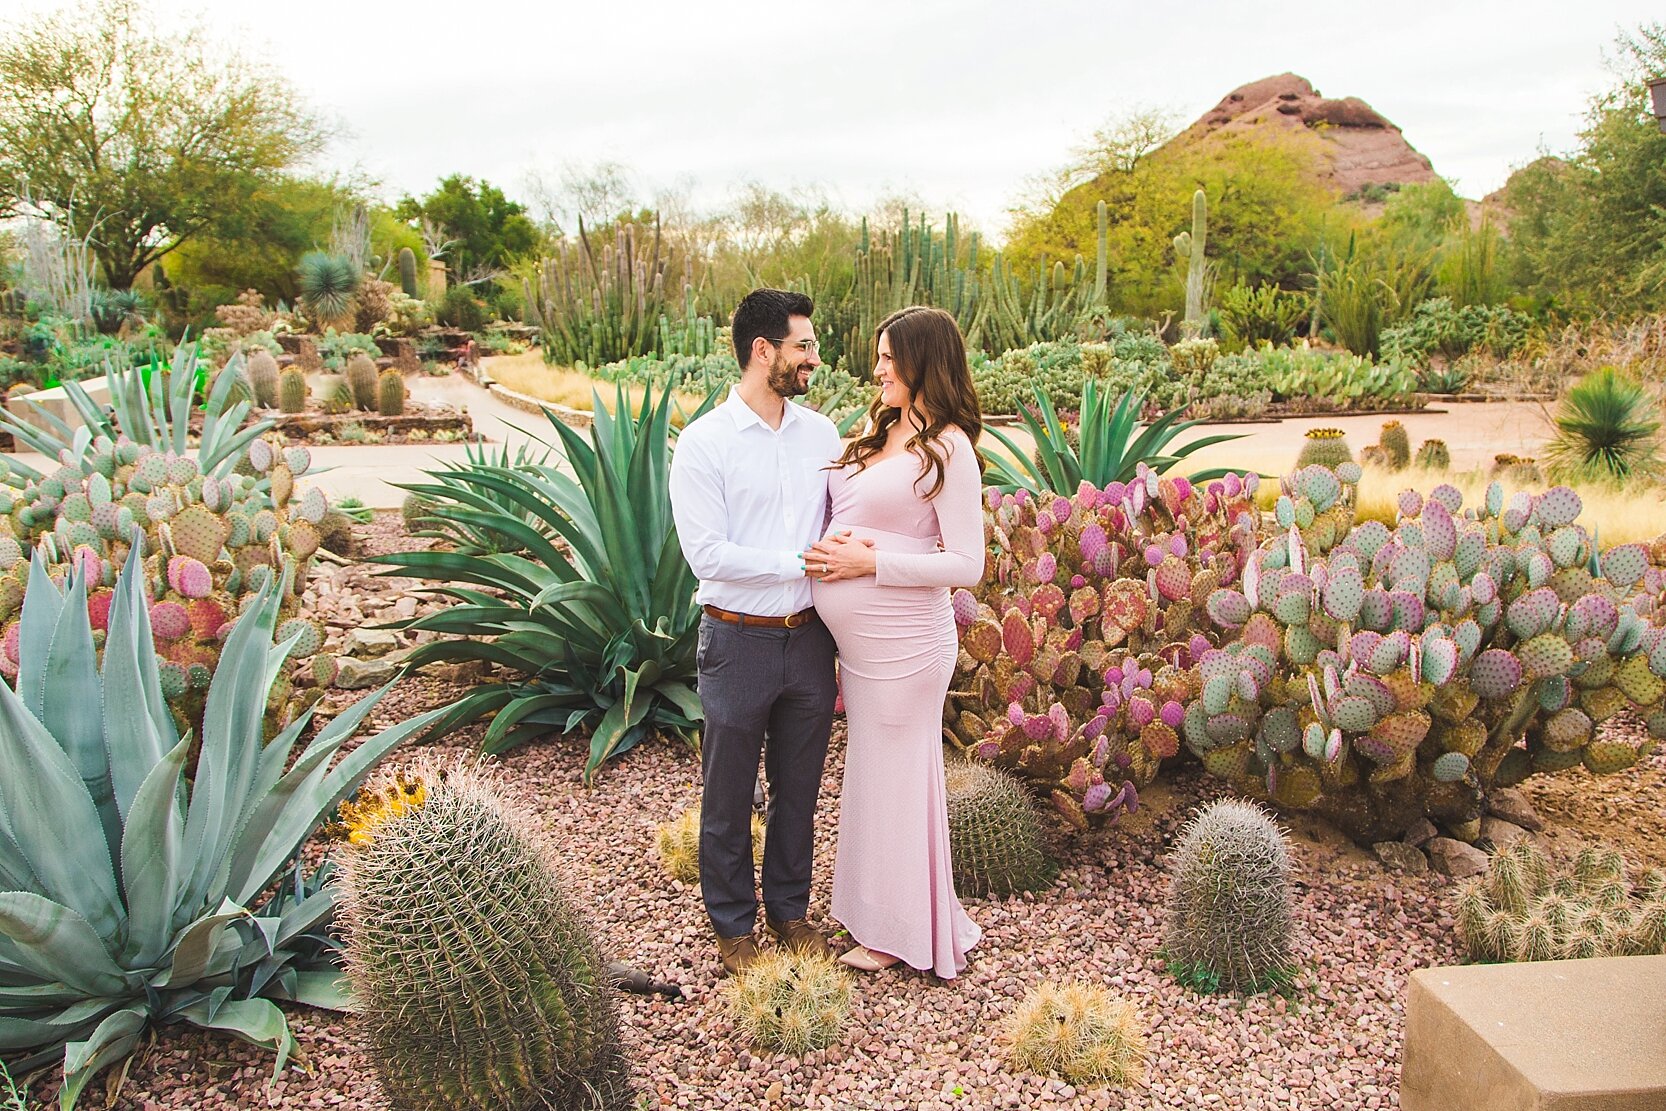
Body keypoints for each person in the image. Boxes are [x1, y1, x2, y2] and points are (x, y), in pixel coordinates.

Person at [803, 305, 985, 978]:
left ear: (922, 361)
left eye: (888, 356)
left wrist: (869, 563)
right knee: (873, 776)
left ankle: (902, 930)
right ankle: (879, 913)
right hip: (865, 647)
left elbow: (967, 564)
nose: (877, 367)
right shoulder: (874, 433)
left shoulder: (948, 447)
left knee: (899, 777)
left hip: (909, 643)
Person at [668, 288, 843, 976]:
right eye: (804, 345)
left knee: (800, 790)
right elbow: (706, 554)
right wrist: (795, 562)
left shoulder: (823, 434)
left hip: (809, 641)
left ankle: (790, 910)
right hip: (736, 640)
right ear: (762, 349)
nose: (814, 358)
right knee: (729, 791)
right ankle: (733, 925)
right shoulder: (704, 443)